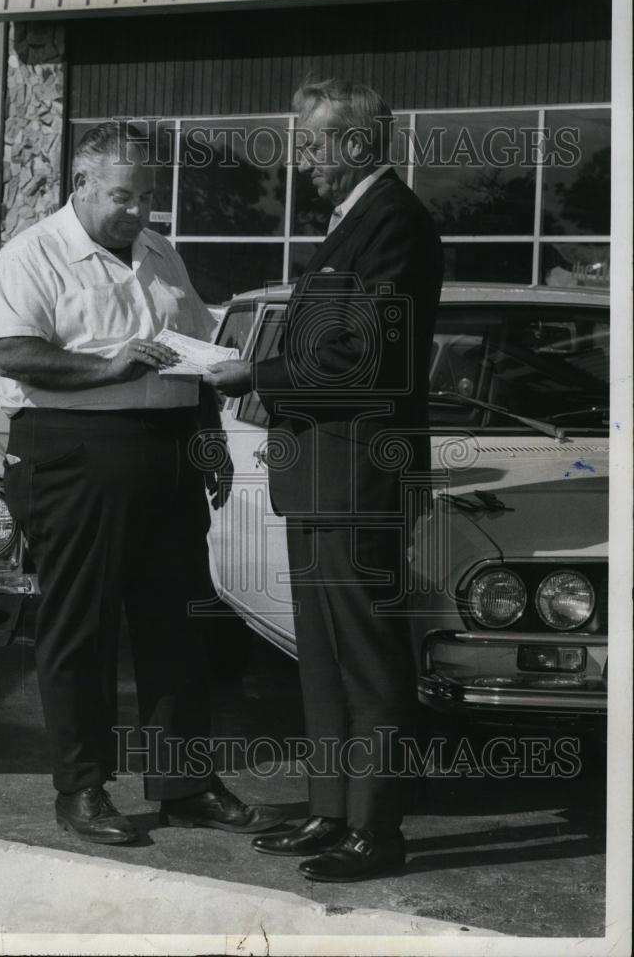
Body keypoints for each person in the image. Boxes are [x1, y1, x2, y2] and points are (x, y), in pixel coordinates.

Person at [0, 121, 284, 845]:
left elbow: (199, 351)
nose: (140, 211)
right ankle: (81, 788)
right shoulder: (33, 254)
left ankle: (185, 783)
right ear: (80, 186)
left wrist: (210, 440)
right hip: (76, 452)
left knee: (176, 625)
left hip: (168, 453)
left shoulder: (158, 252)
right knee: (80, 627)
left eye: (148, 196)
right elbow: (10, 350)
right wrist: (107, 369)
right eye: (124, 196)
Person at [205, 78, 443, 882]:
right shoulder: (351, 224)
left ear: (359, 141)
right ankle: (331, 810)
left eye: (313, 141)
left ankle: (376, 830)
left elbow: (366, 357)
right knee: (323, 655)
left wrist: (259, 376)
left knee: (368, 658)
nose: (303, 158)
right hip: (320, 478)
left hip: (358, 476)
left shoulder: (395, 224)